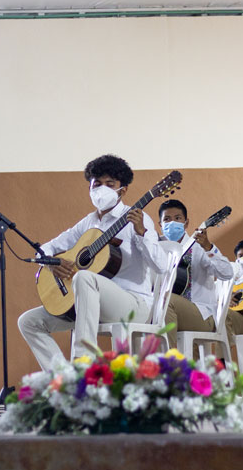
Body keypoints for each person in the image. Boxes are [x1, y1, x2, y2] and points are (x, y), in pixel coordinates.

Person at [18, 154, 171, 371]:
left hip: (134, 303)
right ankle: (63, 378)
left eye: (110, 184)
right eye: (97, 184)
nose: (102, 189)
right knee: (29, 322)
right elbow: (46, 248)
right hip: (90, 305)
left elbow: (162, 267)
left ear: (123, 190)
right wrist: (52, 262)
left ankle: (83, 364)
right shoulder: (89, 223)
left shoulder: (138, 218)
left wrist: (142, 233)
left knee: (84, 276)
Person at [157, 199, 242, 351]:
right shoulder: (157, 247)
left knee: (166, 300)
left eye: (177, 218)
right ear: (160, 225)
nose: (172, 223)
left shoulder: (198, 247)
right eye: (167, 219)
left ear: (186, 222)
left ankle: (167, 364)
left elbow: (227, 273)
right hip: (170, 313)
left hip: (202, 314)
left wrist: (208, 247)